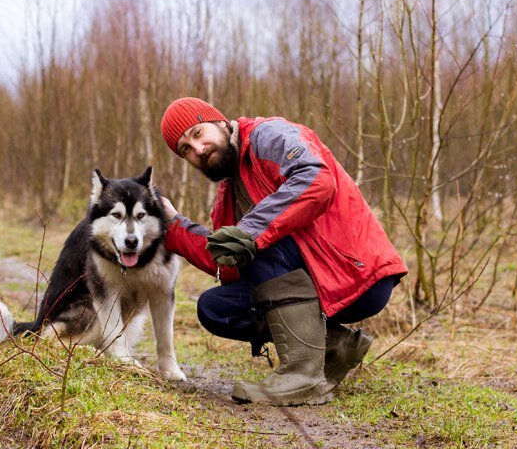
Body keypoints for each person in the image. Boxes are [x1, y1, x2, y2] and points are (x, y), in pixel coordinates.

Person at [159, 97, 407, 406]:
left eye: (197, 133)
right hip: (314, 285)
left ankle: (303, 375)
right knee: (216, 307)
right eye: (186, 150)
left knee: (260, 243)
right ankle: (335, 348)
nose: (198, 150)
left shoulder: (269, 136)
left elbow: (316, 179)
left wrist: (250, 233)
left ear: (219, 121)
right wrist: (173, 225)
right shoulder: (227, 195)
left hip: (352, 273)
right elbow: (230, 264)